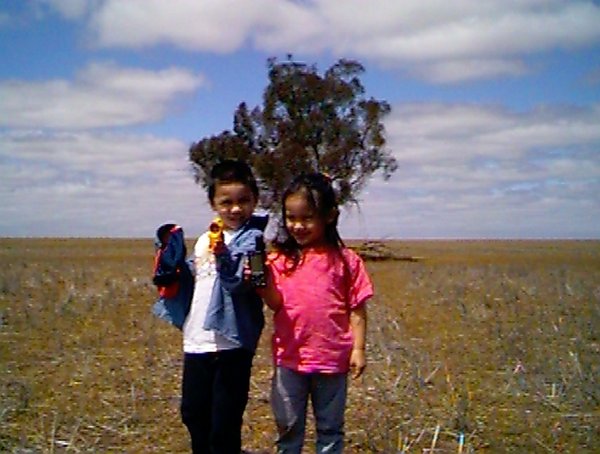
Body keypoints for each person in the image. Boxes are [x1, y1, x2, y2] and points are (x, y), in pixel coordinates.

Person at [257, 173, 374, 454]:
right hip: (290, 358)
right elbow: (276, 303)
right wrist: (260, 283)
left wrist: (358, 348)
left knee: (330, 429)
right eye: (290, 217)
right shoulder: (277, 260)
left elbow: (356, 309)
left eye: (307, 218)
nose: (297, 226)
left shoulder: (346, 261)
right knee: (288, 425)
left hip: (333, 360)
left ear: (330, 215)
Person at [180, 159, 267, 453]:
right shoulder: (206, 238)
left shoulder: (255, 242)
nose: (235, 208)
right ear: (213, 203)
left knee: (224, 423)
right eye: (226, 201)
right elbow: (196, 277)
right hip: (197, 341)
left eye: (243, 201)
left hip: (232, 343)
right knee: (193, 413)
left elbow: (253, 280)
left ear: (255, 200)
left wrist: (228, 259)